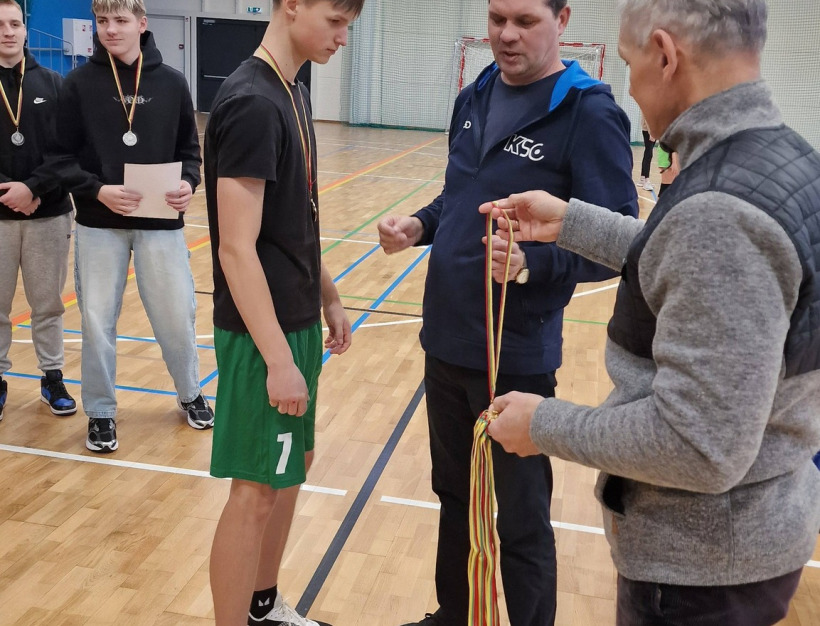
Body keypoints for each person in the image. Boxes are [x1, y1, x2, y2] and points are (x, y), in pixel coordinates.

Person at [481, 1, 820, 624]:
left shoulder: (720, 212)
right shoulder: (780, 158)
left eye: (630, 63)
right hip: (742, 547)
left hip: (700, 575)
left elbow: (697, 445)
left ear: (664, 55)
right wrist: (574, 222)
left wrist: (545, 425)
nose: (632, 88)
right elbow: (695, 266)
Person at [378, 0, 638, 624]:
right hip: (445, 338)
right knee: (454, 496)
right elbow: (460, 194)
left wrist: (532, 264)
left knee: (520, 519)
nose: (506, 34)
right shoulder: (476, 93)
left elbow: (619, 245)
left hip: (514, 354)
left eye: (525, 21)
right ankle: (454, 614)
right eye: (498, 18)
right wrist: (420, 224)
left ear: (562, 20)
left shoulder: (589, 112)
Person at [203, 1, 361, 624]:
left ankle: (263, 607)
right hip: (259, 336)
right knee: (255, 492)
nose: (342, 37)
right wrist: (276, 360)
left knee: (290, 470)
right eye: (335, 21)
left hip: (295, 322)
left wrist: (328, 295)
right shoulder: (252, 102)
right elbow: (236, 249)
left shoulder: (292, 89)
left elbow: (295, 222)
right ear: (292, 5)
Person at [49, 0, 212, 453]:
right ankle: (101, 412)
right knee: (97, 320)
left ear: (142, 24)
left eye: (120, 21)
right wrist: (97, 190)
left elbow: (190, 152)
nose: (110, 29)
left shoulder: (172, 83)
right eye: (102, 21)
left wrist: (188, 183)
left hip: (161, 223)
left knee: (176, 315)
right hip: (99, 222)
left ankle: (190, 392)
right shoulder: (77, 84)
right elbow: (59, 158)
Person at [0, 0, 76, 421]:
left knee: (48, 304)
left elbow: (67, 151)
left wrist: (32, 189)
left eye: (15, 23)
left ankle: (52, 377)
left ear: (25, 30)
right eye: (0, 25)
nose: (8, 31)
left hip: (48, 212)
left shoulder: (54, 83)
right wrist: (9, 193)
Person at [638, 112, 655, 190]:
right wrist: (651, 131)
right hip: (648, 130)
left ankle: (642, 178)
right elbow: (648, 116)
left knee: (647, 153)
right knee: (649, 154)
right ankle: (646, 181)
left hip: (650, 130)